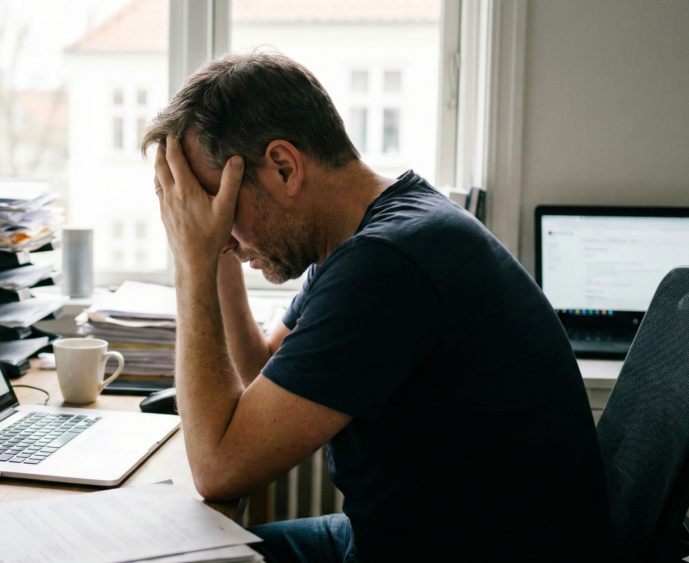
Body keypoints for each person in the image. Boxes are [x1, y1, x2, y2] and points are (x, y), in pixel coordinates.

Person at [141, 51, 612, 562]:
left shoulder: (388, 264)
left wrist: (192, 263)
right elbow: (262, 373)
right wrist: (217, 249)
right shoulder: (373, 230)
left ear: (283, 167)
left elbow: (218, 468)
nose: (219, 232)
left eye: (220, 203)